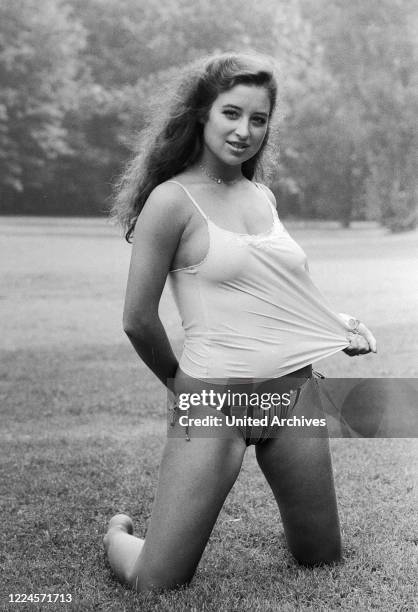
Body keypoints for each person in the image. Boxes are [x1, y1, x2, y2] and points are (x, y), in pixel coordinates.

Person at [104, 52, 377, 593]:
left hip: (290, 397)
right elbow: (138, 319)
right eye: (231, 113)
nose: (244, 130)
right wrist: (182, 387)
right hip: (214, 402)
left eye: (258, 119)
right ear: (201, 113)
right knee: (155, 580)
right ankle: (116, 532)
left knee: (320, 559)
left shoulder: (263, 197)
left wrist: (335, 324)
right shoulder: (171, 201)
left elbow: (277, 289)